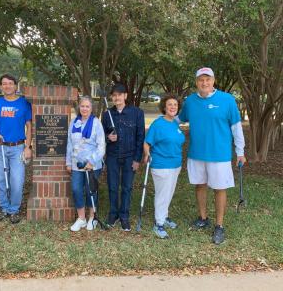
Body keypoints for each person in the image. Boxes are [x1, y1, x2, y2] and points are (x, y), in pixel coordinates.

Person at [178, 67, 246, 245]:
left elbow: (236, 128)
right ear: (196, 82)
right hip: (197, 154)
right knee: (200, 186)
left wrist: (240, 152)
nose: (204, 83)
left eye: (207, 79)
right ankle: (203, 217)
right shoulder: (190, 101)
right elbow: (178, 120)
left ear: (213, 81)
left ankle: (219, 226)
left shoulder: (227, 100)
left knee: (219, 188)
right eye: (201, 80)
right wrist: (162, 125)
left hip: (220, 155)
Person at [0, 74, 32, 224]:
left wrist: (28, 147)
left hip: (18, 148)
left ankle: (14, 210)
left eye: (10, 83)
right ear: (1, 86)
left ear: (15, 86)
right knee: (1, 180)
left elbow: (29, 127)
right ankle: (4, 209)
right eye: (4, 84)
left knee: (17, 180)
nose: (7, 86)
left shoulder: (24, 104)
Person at [101, 83, 145, 231]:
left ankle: (124, 216)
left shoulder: (137, 113)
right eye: (114, 95)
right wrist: (108, 137)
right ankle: (113, 214)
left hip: (130, 156)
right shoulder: (107, 115)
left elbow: (140, 137)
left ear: (125, 96)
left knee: (127, 187)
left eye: (119, 94)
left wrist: (137, 159)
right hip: (112, 156)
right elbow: (101, 137)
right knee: (113, 187)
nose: (117, 98)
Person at [143, 94, 185, 239]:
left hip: (175, 164)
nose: (173, 107)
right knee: (162, 194)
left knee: (169, 192)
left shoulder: (174, 123)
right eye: (170, 105)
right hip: (161, 165)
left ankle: (164, 217)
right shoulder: (158, 124)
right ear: (164, 107)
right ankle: (158, 223)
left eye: (175, 105)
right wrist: (147, 154)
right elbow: (147, 142)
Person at [66, 96, 106, 232]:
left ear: (91, 108)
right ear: (79, 107)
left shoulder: (96, 123)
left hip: (92, 165)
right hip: (77, 164)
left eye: (87, 106)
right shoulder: (74, 122)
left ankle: (92, 218)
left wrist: (92, 162)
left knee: (91, 191)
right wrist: (68, 162)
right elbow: (69, 144)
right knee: (77, 190)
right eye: (82, 106)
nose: (84, 108)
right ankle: (81, 218)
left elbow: (101, 146)